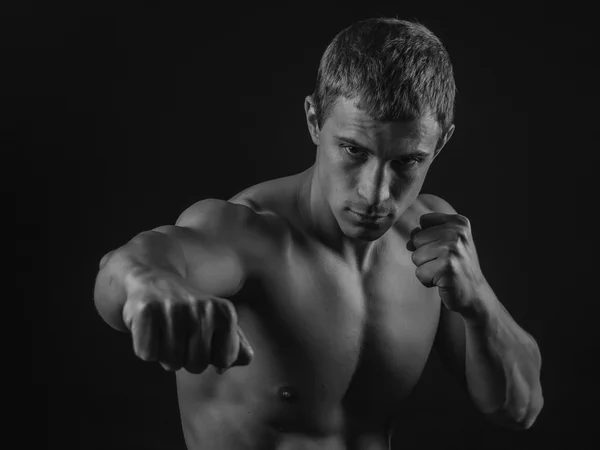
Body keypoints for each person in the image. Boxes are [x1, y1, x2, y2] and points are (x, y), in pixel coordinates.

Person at [94, 17, 543, 450]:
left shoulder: (431, 236)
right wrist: (148, 285)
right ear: (314, 120)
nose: (374, 193)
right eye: (353, 150)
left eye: (406, 161)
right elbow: (132, 265)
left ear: (440, 143)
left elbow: (519, 409)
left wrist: (478, 300)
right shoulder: (251, 233)